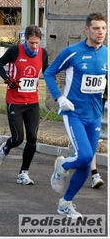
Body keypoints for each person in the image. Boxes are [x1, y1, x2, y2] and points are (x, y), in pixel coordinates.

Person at [44, 12, 107, 219]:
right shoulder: (73, 52)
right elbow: (49, 73)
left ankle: (65, 203)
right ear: (86, 30)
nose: (101, 32)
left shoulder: (107, 53)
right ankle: (62, 164)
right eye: (96, 28)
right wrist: (59, 97)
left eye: (104, 28)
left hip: (95, 114)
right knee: (86, 156)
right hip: (74, 113)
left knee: (86, 163)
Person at [0, 25, 49, 185]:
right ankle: (5, 148)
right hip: (15, 102)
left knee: (32, 138)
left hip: (32, 102)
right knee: (18, 139)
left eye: (37, 43)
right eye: (31, 42)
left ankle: (23, 173)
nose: (34, 46)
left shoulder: (42, 53)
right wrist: (7, 79)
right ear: (26, 39)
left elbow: (47, 71)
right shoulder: (15, 51)